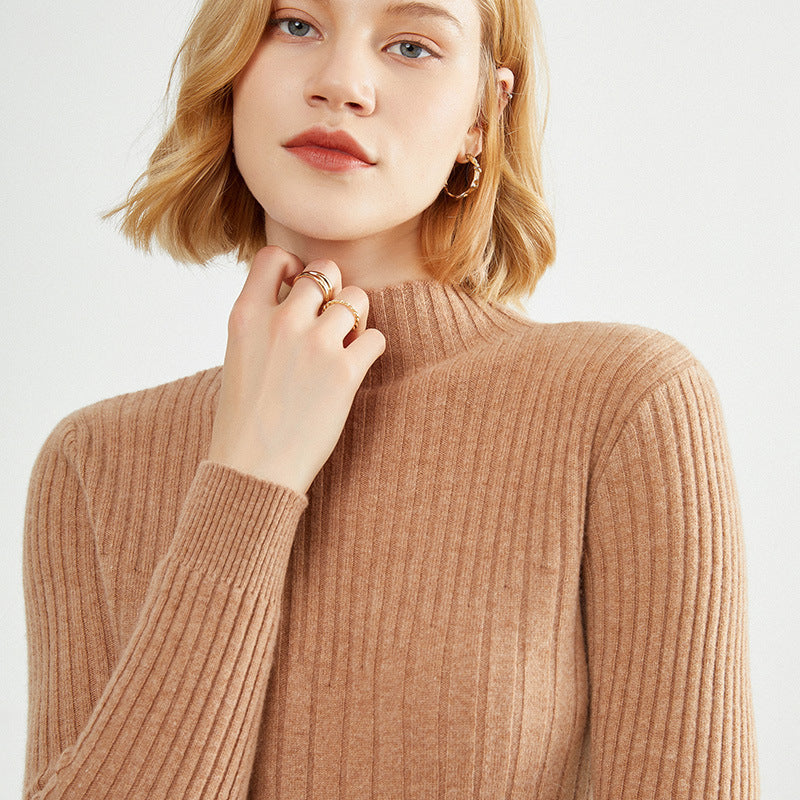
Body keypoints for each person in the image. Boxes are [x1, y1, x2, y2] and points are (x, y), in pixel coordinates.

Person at [21, 0, 759, 797]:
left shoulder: (624, 406)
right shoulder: (93, 463)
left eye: (411, 46)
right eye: (295, 24)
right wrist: (249, 476)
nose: (342, 84)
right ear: (230, 66)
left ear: (482, 114)